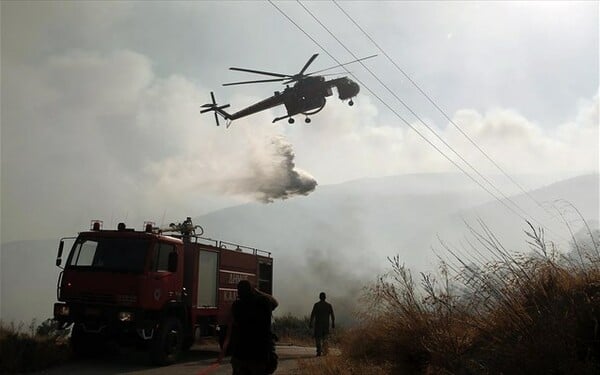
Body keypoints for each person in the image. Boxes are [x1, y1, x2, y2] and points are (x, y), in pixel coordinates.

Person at [219, 280, 278, 375]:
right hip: (259, 355)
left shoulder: (237, 306)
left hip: (240, 354)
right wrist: (257, 291)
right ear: (252, 290)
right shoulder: (263, 303)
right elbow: (275, 302)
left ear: (239, 292)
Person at [309, 292, 335, 356]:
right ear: (325, 297)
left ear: (319, 297)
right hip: (326, 325)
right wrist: (333, 323)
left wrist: (311, 323)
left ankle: (319, 351)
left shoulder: (316, 305)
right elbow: (332, 315)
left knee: (318, 338)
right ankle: (325, 351)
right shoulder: (328, 305)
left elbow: (313, 315)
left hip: (318, 325)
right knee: (325, 338)